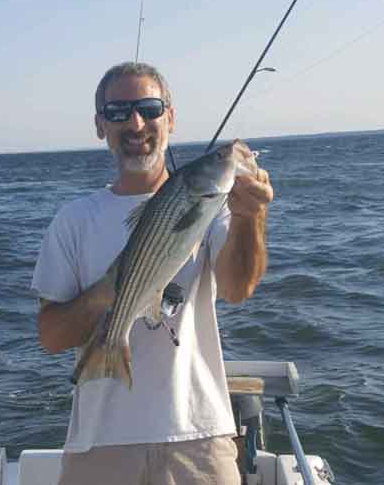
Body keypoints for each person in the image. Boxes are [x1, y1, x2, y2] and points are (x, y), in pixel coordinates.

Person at [32, 62, 274, 485]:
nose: (136, 122)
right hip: (99, 445)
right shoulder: (73, 221)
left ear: (171, 118)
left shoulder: (216, 209)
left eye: (149, 107)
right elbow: (51, 338)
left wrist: (250, 216)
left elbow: (238, 289)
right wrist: (106, 293)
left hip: (199, 438)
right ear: (99, 125)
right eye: (118, 112)